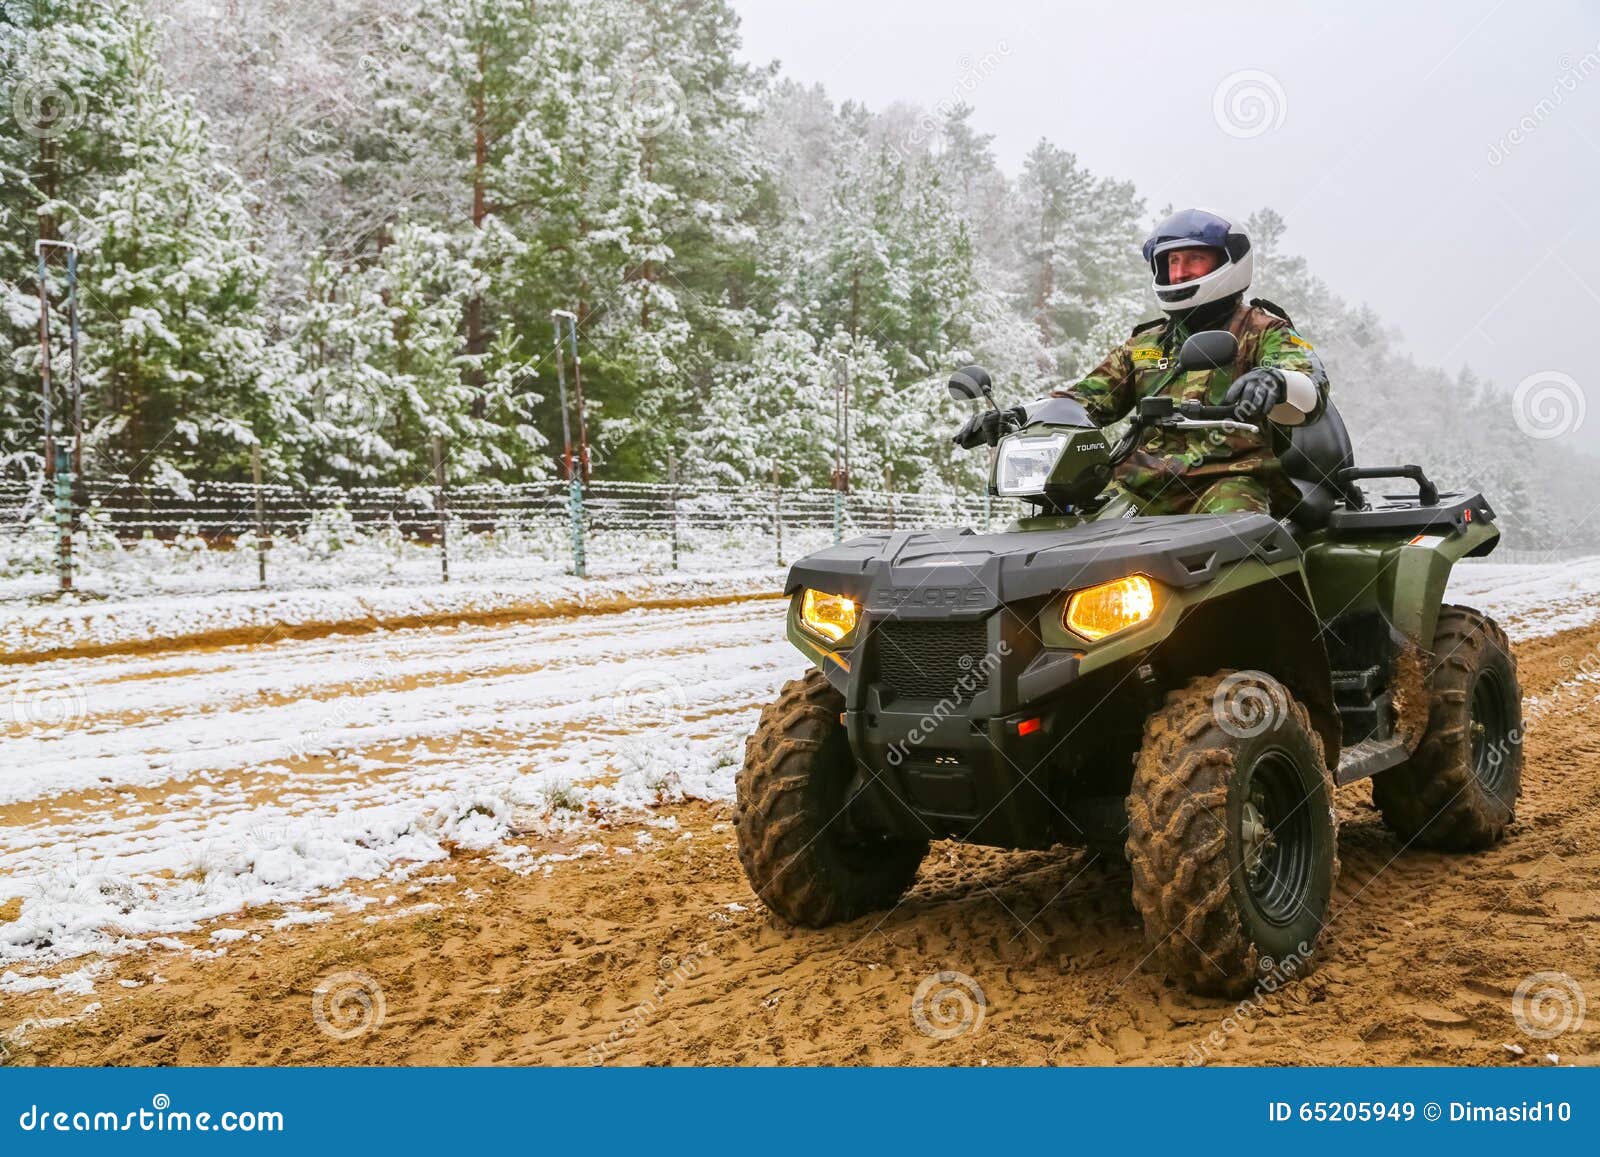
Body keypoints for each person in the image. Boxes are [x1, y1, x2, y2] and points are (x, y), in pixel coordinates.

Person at [955, 208, 1328, 516]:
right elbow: (1084, 400)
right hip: (1141, 484)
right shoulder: (1146, 345)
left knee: (1235, 539)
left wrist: (1275, 380)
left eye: (1195, 259)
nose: (1179, 272)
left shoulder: (1264, 330)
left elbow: (1307, 379)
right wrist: (1018, 416)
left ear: (1229, 261)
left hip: (1227, 478)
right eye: (1173, 261)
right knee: (1072, 537)